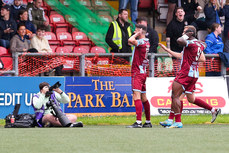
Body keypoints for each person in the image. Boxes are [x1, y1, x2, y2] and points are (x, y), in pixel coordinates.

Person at [159, 25, 220, 128]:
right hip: (194, 74)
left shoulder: (190, 44)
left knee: (175, 96)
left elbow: (180, 41)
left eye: (185, 31)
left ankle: (177, 121)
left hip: (186, 73)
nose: (183, 33)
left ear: (190, 33)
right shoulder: (200, 44)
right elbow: (188, 54)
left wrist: (187, 36)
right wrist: (168, 50)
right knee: (190, 98)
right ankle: (213, 110)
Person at [126, 24, 151, 128]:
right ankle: (148, 122)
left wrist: (136, 34)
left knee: (136, 95)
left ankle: (138, 122)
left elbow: (130, 40)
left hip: (137, 72)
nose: (134, 32)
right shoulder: (146, 42)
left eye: (135, 30)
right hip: (143, 72)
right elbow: (129, 41)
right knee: (143, 97)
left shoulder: (141, 41)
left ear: (141, 31)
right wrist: (136, 34)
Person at [166, 7, 199, 74]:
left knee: (187, 69)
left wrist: (198, 10)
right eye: (178, 12)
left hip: (186, 49)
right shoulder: (171, 24)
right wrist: (169, 50)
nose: (180, 13)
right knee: (177, 70)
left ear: (184, 13)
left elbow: (195, 16)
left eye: (181, 11)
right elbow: (168, 37)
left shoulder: (187, 19)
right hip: (176, 49)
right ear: (176, 14)